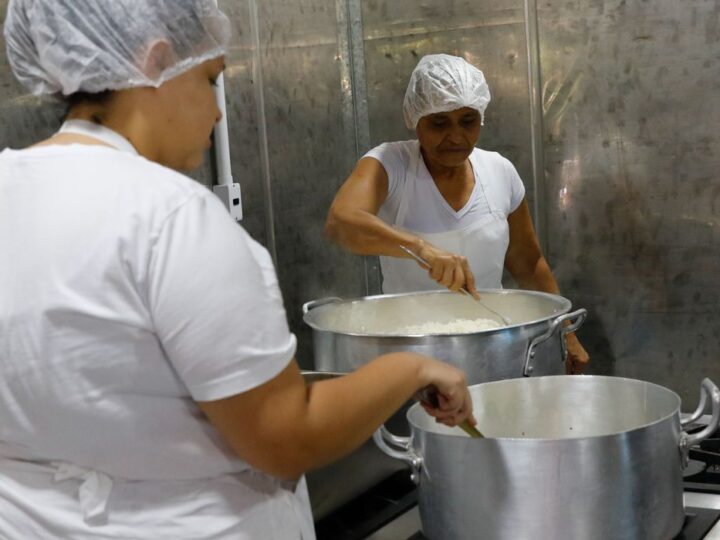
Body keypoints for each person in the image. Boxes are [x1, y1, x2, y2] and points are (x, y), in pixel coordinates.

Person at [0, 3, 475, 538]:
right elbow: (286, 436)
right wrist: (410, 368)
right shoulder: (172, 217)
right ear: (156, 63)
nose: (219, 113)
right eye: (209, 80)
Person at [325, 53, 589, 374]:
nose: (456, 137)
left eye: (468, 121)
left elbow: (529, 263)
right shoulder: (391, 164)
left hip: (495, 346)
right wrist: (421, 248)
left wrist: (567, 333)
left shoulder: (499, 171)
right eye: (439, 123)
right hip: (411, 351)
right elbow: (342, 222)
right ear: (414, 118)